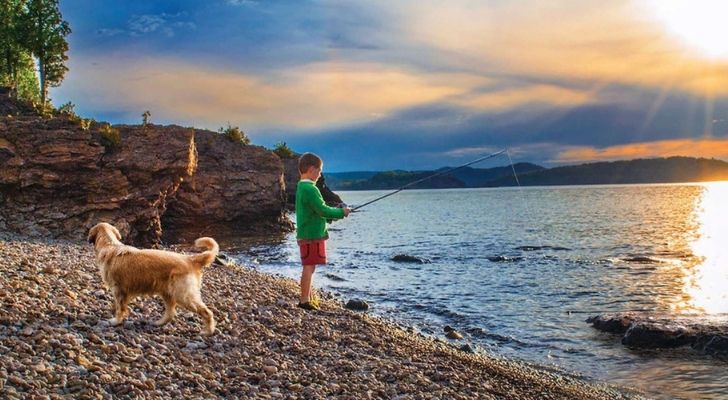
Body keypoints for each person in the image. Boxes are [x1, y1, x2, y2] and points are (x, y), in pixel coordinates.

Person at [295, 153, 351, 310]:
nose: (320, 174)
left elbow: (312, 212)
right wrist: (341, 212)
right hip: (311, 235)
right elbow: (322, 209)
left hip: (307, 232)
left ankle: (307, 296)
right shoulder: (310, 189)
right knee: (308, 266)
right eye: (319, 170)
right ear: (312, 169)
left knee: (310, 266)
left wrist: (329, 217)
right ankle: (304, 301)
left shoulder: (302, 187)